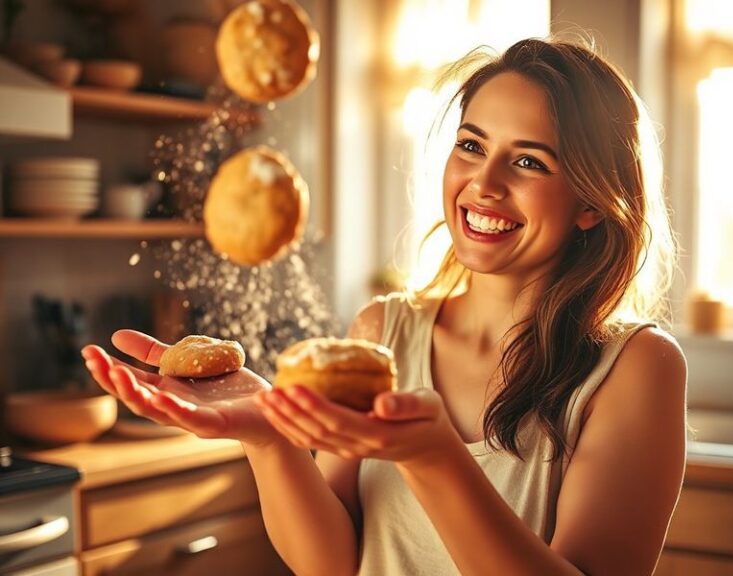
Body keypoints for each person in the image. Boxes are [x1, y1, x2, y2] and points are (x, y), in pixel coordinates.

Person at [82, 37, 687, 576]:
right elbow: (331, 563)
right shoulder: (383, 334)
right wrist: (270, 441)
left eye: (529, 161)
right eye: (471, 146)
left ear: (592, 202)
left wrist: (433, 458)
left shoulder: (636, 367)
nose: (484, 183)